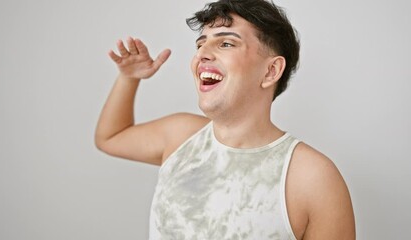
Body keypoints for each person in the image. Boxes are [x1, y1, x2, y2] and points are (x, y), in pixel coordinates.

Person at [95, 0, 355, 239]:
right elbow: (110, 138)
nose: (202, 55)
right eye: (200, 44)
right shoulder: (179, 135)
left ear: (271, 70)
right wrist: (128, 78)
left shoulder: (313, 178)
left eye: (226, 43)